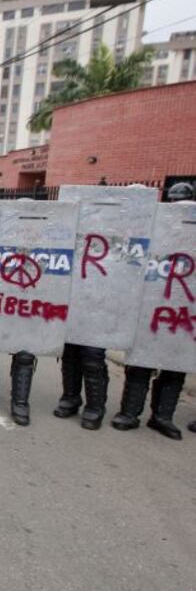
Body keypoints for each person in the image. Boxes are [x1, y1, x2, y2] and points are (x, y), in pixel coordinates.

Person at [112, 182, 194, 440]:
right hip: (154, 304)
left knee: (172, 364)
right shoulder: (155, 225)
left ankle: (154, 415)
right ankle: (137, 413)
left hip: (181, 308)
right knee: (144, 362)